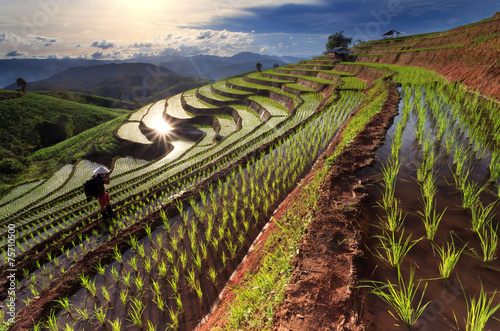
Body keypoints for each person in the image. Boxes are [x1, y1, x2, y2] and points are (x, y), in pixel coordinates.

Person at [93, 166, 114, 232]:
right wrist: (108, 176)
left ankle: (109, 211)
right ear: (101, 173)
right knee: (102, 205)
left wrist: (106, 176)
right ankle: (104, 216)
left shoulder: (97, 176)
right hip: (100, 194)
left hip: (103, 192)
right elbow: (107, 182)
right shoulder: (98, 179)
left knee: (107, 200)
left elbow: (103, 179)